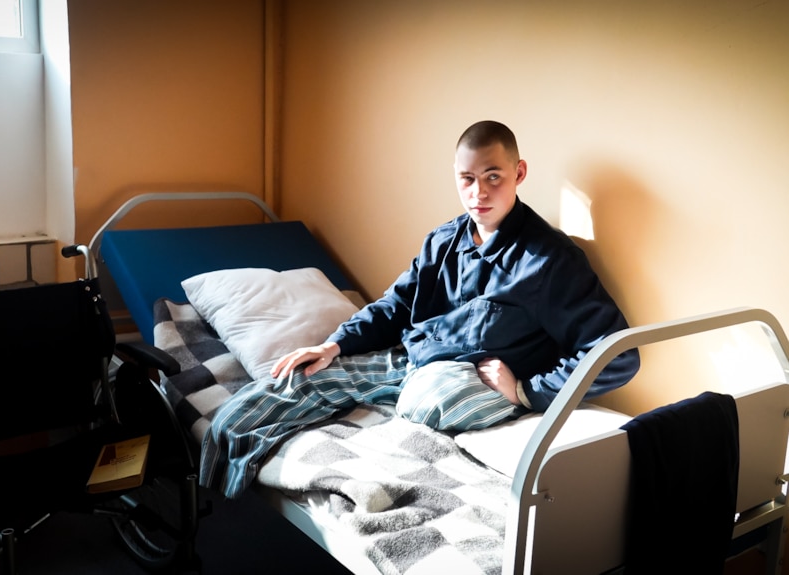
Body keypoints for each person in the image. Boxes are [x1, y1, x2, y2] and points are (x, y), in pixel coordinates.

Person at [199, 120, 640, 498]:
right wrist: (334, 345)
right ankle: (214, 502)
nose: (478, 192)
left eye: (493, 177)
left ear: (519, 172)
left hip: (466, 382)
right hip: (409, 360)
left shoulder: (548, 262)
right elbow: (395, 304)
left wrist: (527, 391)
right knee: (273, 393)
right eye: (467, 179)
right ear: (455, 176)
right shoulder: (444, 240)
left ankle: (380, 474)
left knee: (428, 397)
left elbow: (618, 354)